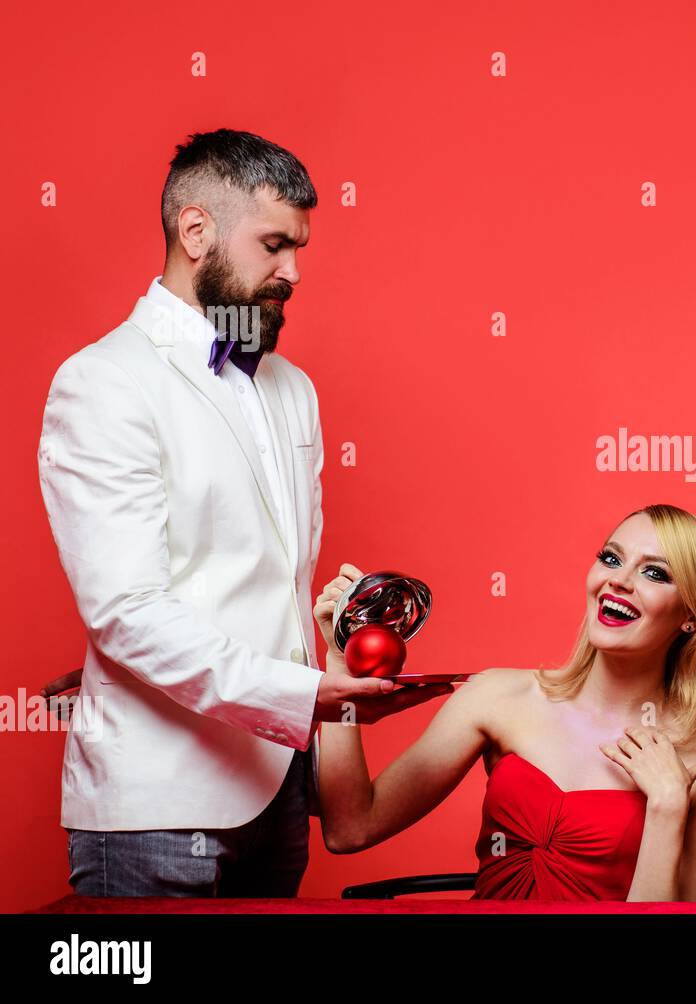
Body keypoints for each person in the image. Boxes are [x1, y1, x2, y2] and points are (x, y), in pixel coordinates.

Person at [36, 128, 440, 898]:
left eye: (299, 248)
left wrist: (341, 659)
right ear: (197, 232)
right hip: (157, 800)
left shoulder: (294, 388)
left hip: (279, 792)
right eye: (274, 245)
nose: (293, 271)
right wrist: (301, 697)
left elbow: (265, 584)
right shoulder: (104, 382)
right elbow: (125, 610)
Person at [315, 504, 696, 900]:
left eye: (654, 573)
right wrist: (339, 662)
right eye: (611, 558)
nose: (619, 580)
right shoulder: (497, 696)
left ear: (692, 616)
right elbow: (350, 828)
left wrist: (667, 805)